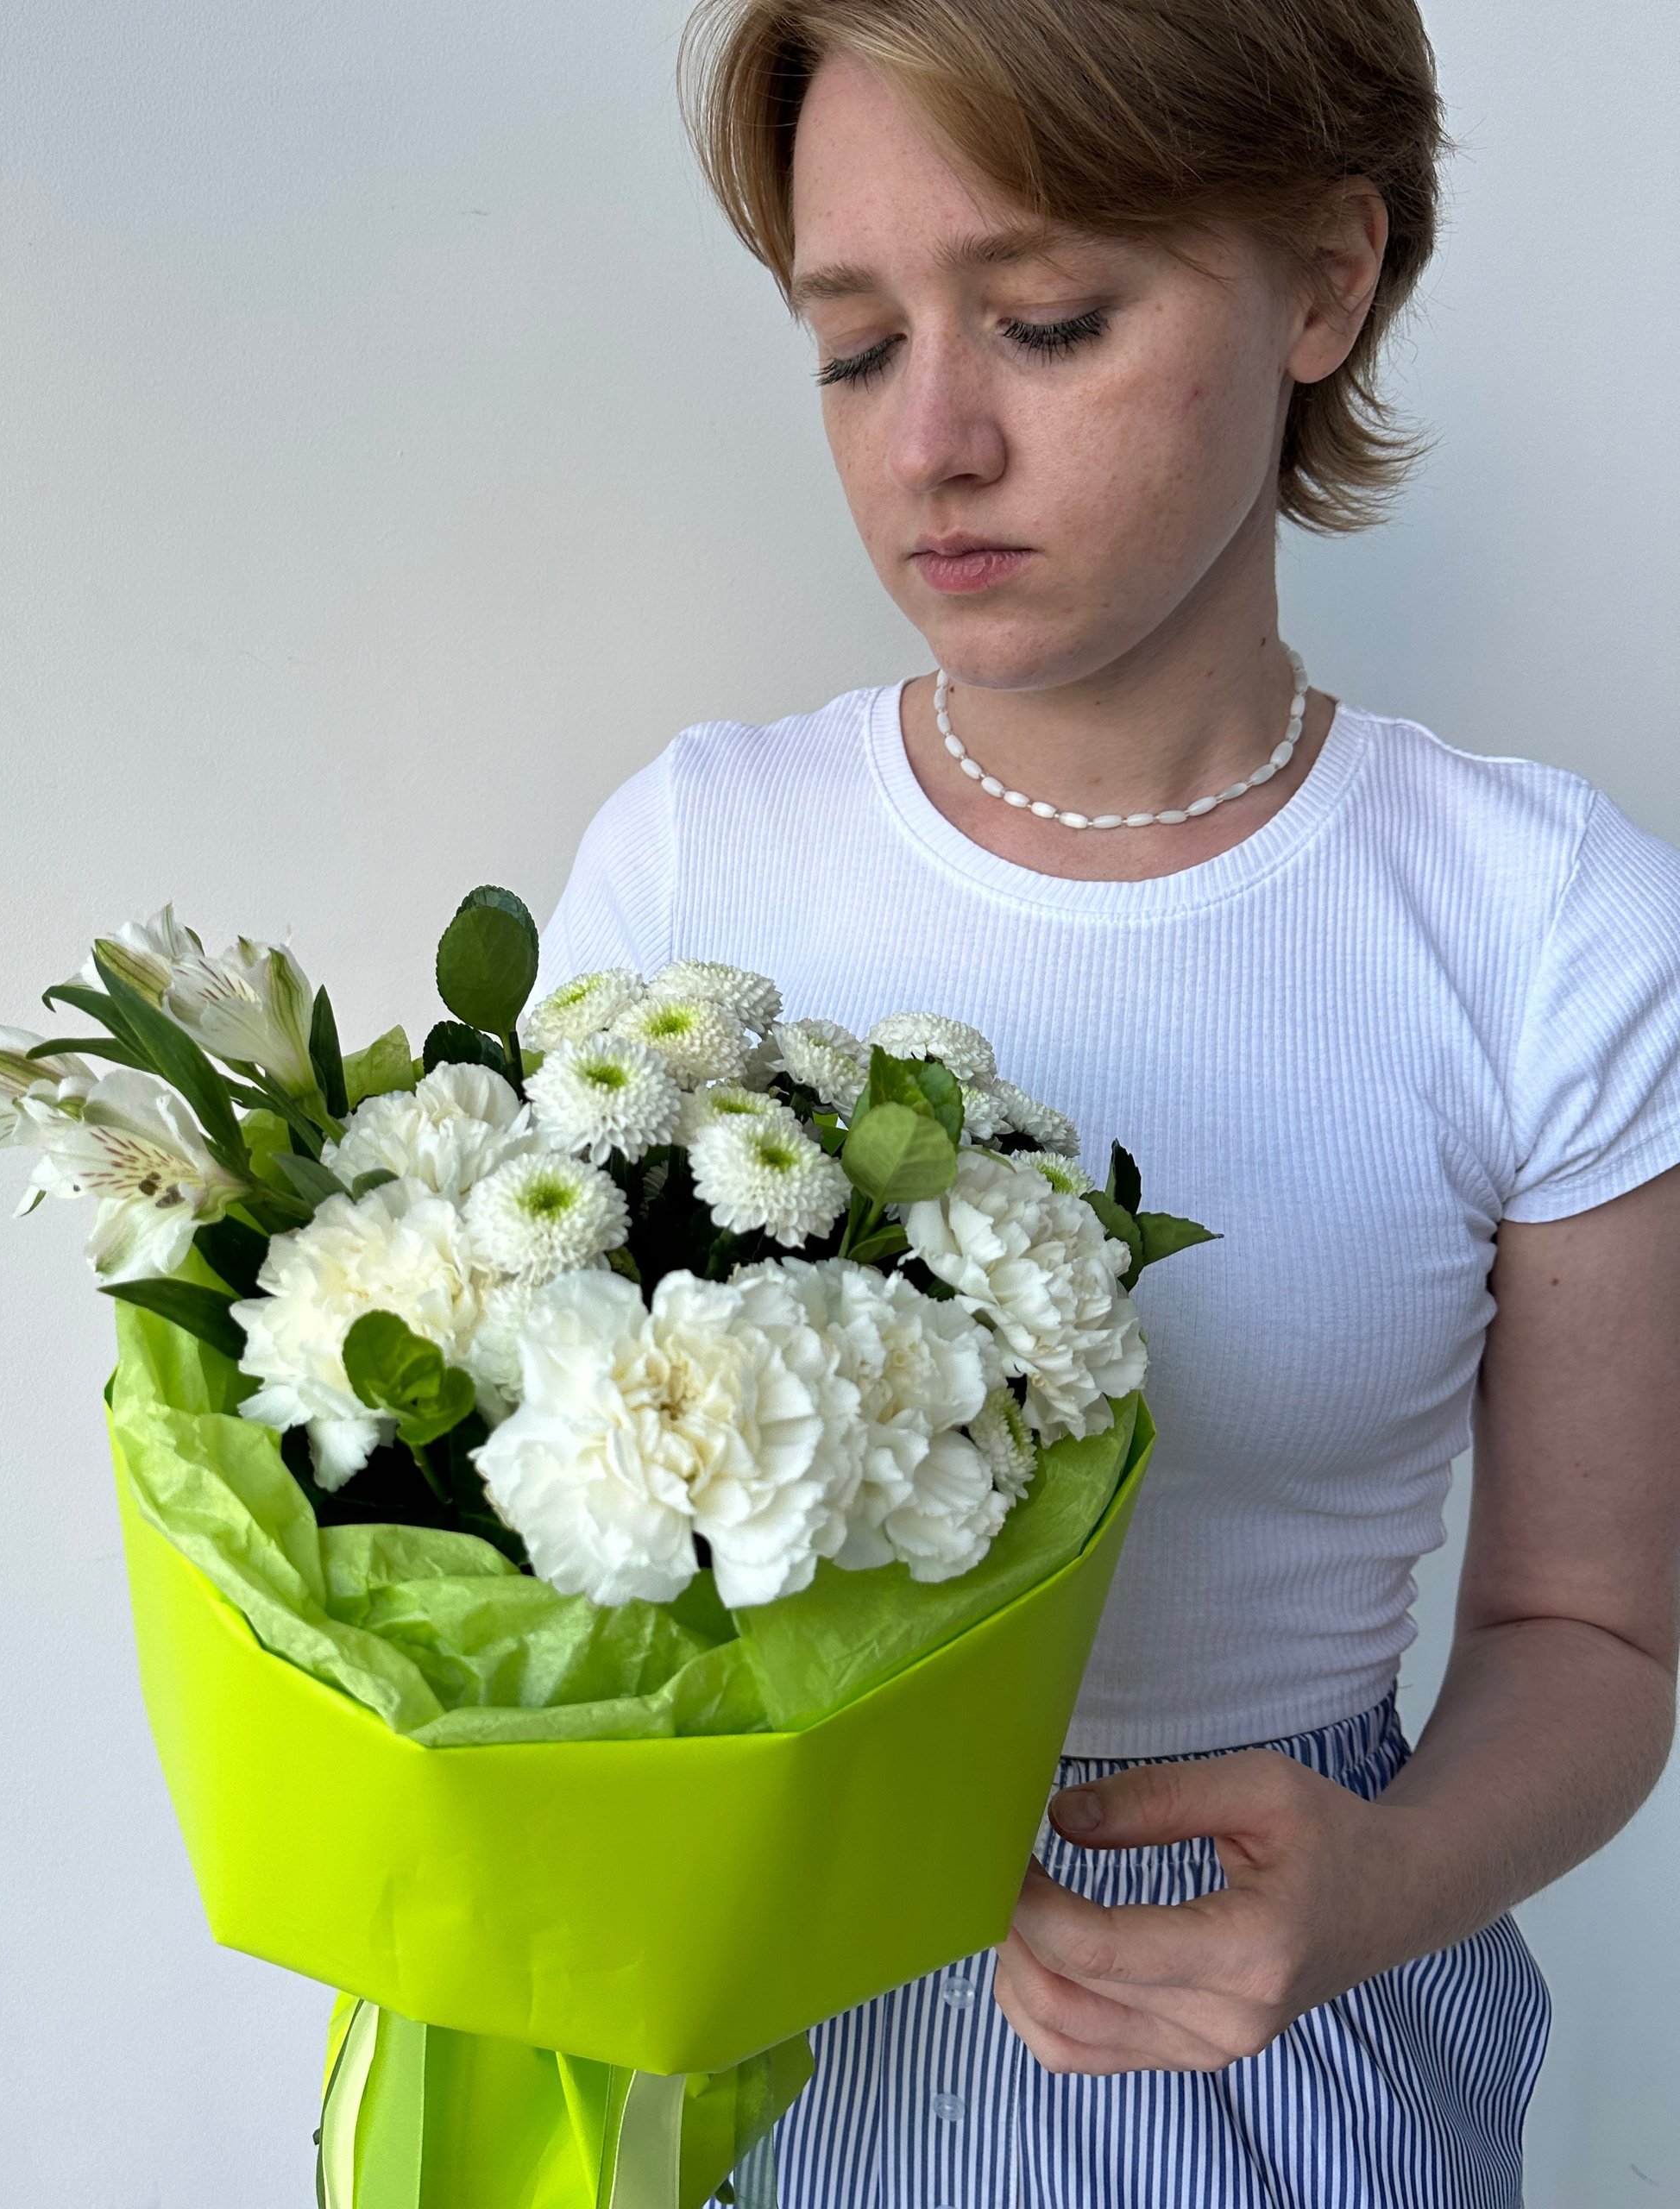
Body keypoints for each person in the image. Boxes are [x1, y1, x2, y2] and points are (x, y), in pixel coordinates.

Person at [530, 3, 1680, 2202]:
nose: (930, 442)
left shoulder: (1546, 928)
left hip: (1295, 2043)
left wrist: (1380, 1881)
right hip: (753, 2033)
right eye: (853, 348)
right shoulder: (696, 871)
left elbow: (1586, 1628)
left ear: (1324, 285)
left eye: (1044, 319)